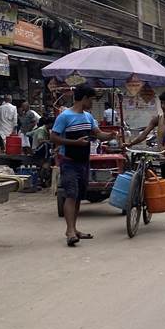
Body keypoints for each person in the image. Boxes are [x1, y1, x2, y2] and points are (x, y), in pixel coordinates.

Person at [50, 85, 111, 246]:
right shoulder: (65, 116)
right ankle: (70, 231)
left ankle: (74, 229)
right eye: (91, 99)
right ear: (84, 98)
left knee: (77, 196)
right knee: (71, 194)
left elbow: (98, 134)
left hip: (84, 162)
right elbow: (54, 137)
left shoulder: (88, 117)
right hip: (69, 161)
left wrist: (110, 135)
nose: (92, 102)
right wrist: (74, 142)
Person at [126, 91, 165, 231]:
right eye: (162, 103)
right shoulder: (157, 119)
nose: (164, 106)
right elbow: (144, 134)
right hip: (163, 159)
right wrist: (130, 144)